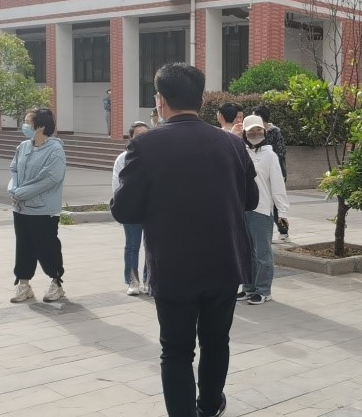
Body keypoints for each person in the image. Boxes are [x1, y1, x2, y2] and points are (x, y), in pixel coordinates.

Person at [111, 63, 259, 417]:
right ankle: (210, 406)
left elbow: (124, 209)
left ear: (160, 101)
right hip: (225, 264)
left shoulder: (145, 145)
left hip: (173, 266)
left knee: (176, 350)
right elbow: (251, 200)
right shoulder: (231, 144)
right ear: (202, 100)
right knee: (216, 341)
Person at [8, 108, 68, 304]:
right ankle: (24, 284)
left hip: (43, 210)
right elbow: (14, 169)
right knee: (23, 246)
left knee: (47, 247)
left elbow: (51, 178)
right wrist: (13, 190)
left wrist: (21, 193)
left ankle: (56, 283)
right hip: (21, 208)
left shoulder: (55, 150)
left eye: (27, 122)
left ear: (41, 126)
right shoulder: (23, 146)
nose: (24, 126)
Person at [237, 115, 289, 305]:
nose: (255, 133)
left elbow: (277, 184)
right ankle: (248, 288)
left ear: (264, 131)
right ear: (244, 133)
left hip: (261, 210)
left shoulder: (270, 155)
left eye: (258, 130)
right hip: (241, 210)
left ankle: (263, 290)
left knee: (262, 253)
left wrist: (282, 211)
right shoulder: (240, 152)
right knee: (246, 252)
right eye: (250, 130)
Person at [112, 121, 152, 296]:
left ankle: (149, 280)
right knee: (132, 246)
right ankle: (132, 281)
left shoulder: (156, 155)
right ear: (131, 138)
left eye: (145, 135)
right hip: (132, 209)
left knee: (151, 246)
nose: (142, 138)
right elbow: (117, 185)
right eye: (138, 135)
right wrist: (121, 207)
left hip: (151, 209)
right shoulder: (123, 158)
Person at [254, 105, 290, 244]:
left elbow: (281, 151)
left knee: (277, 201)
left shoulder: (274, 131)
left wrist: (268, 156)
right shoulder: (255, 131)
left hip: (276, 171)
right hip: (262, 172)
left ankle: (284, 232)